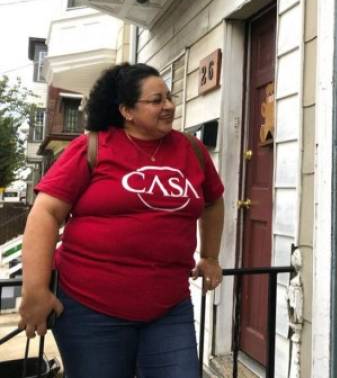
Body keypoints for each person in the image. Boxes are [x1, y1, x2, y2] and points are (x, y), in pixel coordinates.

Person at [18, 63, 225, 378]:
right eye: (156, 101)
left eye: (169, 97)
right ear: (127, 110)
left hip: (169, 309)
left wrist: (210, 257)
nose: (168, 106)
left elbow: (212, 202)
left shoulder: (191, 150)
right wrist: (35, 289)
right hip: (90, 310)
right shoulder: (93, 147)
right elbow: (45, 213)